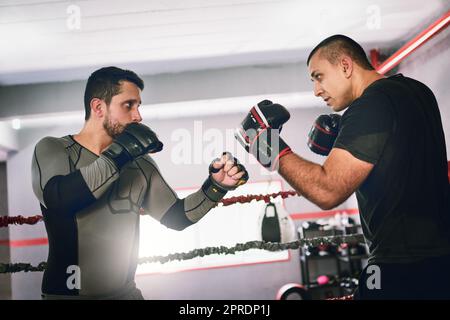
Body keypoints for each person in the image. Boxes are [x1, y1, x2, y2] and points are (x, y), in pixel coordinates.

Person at [235, 35, 450, 299]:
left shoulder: (369, 105)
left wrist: (265, 144)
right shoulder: (418, 92)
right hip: (440, 261)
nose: (316, 90)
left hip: (400, 265)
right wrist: (345, 143)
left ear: (346, 66)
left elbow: (327, 191)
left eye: (319, 76)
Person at [31, 66, 248, 300]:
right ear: (98, 107)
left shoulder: (140, 164)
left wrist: (216, 186)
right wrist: (120, 153)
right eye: (128, 105)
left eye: (138, 106)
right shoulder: (55, 149)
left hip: (127, 294)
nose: (138, 116)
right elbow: (59, 199)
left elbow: (176, 216)